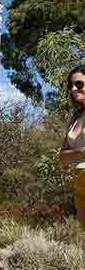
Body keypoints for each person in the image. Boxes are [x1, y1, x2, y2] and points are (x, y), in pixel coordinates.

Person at [59, 66, 85, 226]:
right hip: (79, 182)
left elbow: (68, 155)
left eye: (80, 84)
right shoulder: (75, 119)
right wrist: (82, 151)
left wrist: (73, 154)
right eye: (71, 85)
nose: (74, 89)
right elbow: (62, 157)